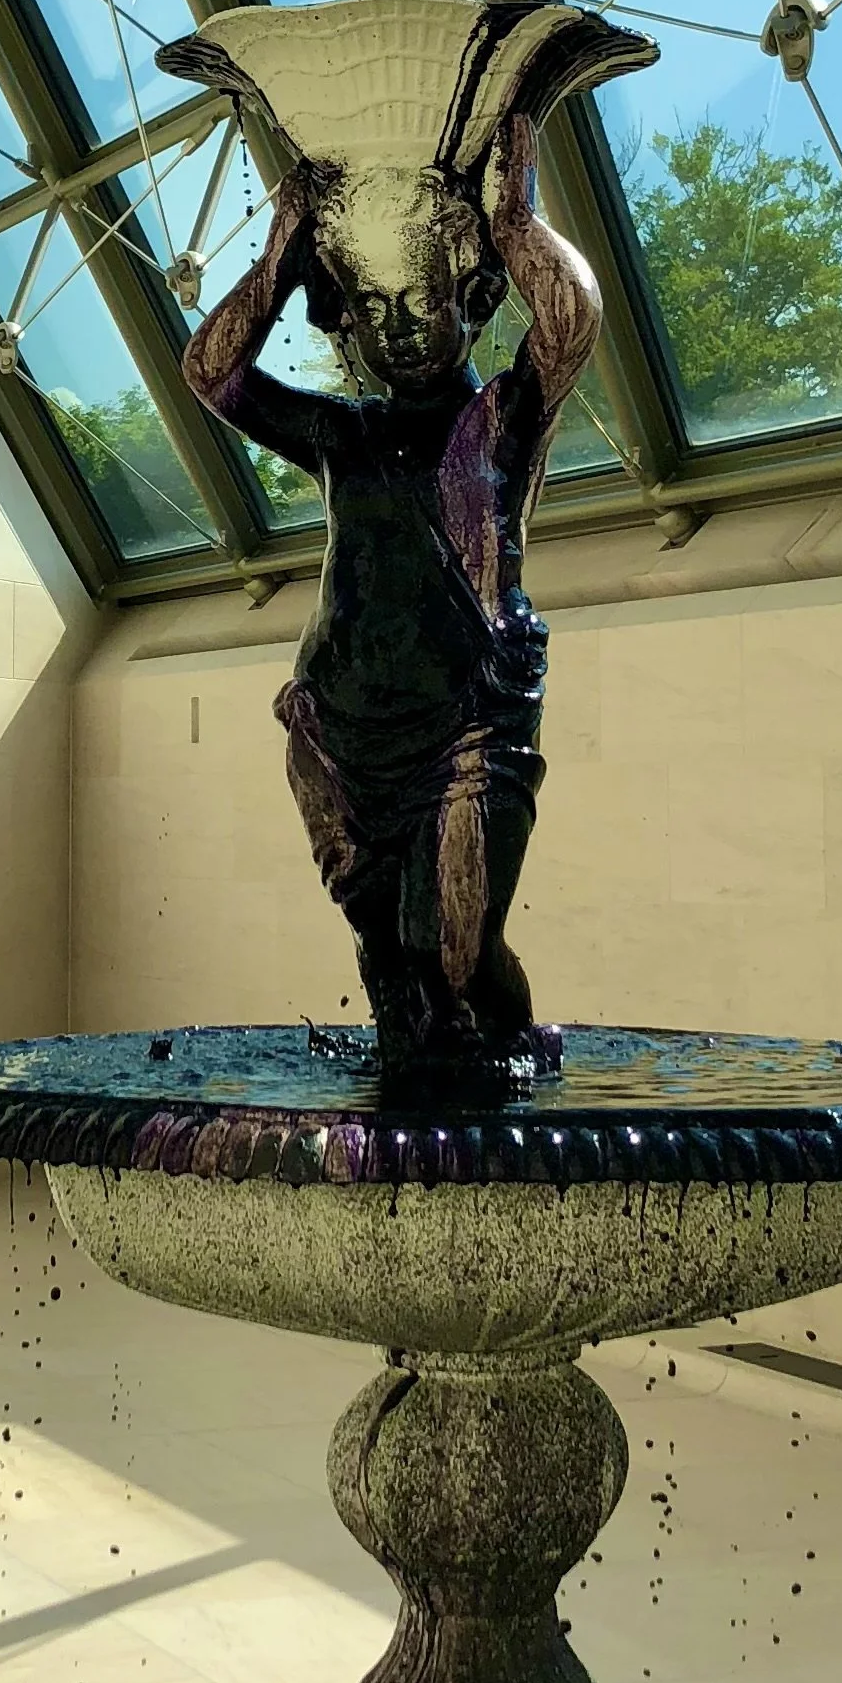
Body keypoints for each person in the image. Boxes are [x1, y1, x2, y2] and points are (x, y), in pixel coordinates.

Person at [179, 109, 602, 1075]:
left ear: (475, 300)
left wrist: (512, 220)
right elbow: (210, 370)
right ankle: (421, 1080)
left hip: (469, 724)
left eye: (423, 301)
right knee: (391, 952)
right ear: (344, 322)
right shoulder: (343, 436)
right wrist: (284, 249)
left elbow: (572, 318)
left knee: (456, 944)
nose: (400, 326)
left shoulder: (499, 422)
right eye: (374, 309)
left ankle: (511, 1041)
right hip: (340, 728)